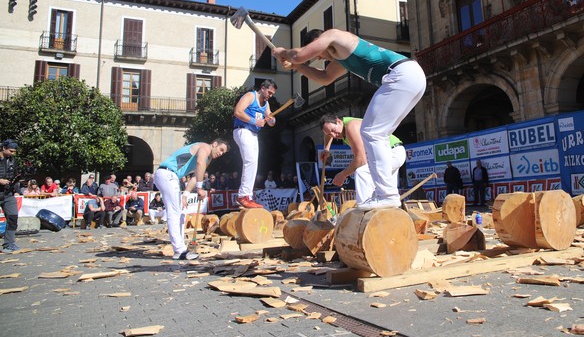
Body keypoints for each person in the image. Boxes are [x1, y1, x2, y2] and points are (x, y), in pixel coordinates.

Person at [273, 29, 425, 209]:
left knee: (370, 132)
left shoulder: (334, 36)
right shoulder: (341, 58)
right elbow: (325, 78)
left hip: (401, 75)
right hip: (412, 77)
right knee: (379, 134)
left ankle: (387, 194)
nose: (320, 58)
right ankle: (386, 194)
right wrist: (297, 66)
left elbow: (299, 55)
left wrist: (282, 53)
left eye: (317, 53)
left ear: (317, 41)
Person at [154, 138, 230, 260]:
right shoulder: (205, 147)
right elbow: (199, 163)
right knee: (174, 213)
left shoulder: (208, 158)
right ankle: (180, 251)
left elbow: (195, 176)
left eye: (223, 153)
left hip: (169, 176)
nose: (221, 153)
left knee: (181, 212)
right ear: (214, 144)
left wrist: (186, 195)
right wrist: (200, 188)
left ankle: (180, 247)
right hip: (168, 174)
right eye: (221, 149)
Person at [319, 115, 406, 206]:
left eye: (333, 130)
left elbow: (361, 160)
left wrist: (343, 174)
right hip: (386, 154)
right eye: (329, 134)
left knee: (362, 172)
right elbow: (328, 132)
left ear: (339, 122)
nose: (333, 135)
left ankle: (364, 207)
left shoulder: (351, 127)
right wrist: (326, 149)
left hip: (391, 153)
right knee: (387, 195)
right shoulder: (339, 127)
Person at [232, 79, 277, 208]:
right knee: (250, 161)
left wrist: (271, 119)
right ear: (262, 88)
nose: (270, 95)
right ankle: (243, 196)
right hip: (243, 130)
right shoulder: (250, 96)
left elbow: (271, 121)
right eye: (269, 92)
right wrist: (254, 121)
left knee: (253, 163)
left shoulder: (266, 104)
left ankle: (248, 196)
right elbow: (238, 111)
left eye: (272, 94)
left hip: (253, 134)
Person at [0, 140, 22, 252]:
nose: (13, 153)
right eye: (11, 151)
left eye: (14, 151)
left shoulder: (12, 161)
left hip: (8, 194)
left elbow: (14, 175)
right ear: (4, 148)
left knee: (13, 217)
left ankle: (9, 243)